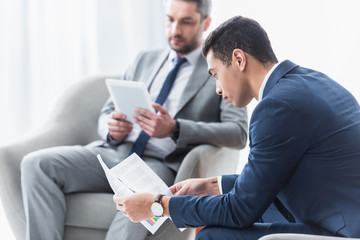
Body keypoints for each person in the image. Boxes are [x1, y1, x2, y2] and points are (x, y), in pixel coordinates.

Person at [114, 15, 360, 239]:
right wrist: (211, 185)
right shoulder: (314, 81)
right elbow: (269, 174)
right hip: (338, 211)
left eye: (215, 74)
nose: (218, 89)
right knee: (215, 228)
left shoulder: (277, 107)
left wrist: (157, 205)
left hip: (341, 229)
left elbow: (240, 210)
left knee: (213, 236)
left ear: (239, 59)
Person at [20, 1, 249, 240]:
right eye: (170, 20)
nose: (175, 30)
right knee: (35, 164)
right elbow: (108, 109)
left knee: (138, 200)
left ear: (206, 23)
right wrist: (111, 127)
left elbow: (238, 132)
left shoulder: (217, 68)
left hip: (158, 164)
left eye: (186, 21)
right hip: (115, 153)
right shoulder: (145, 60)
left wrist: (175, 128)